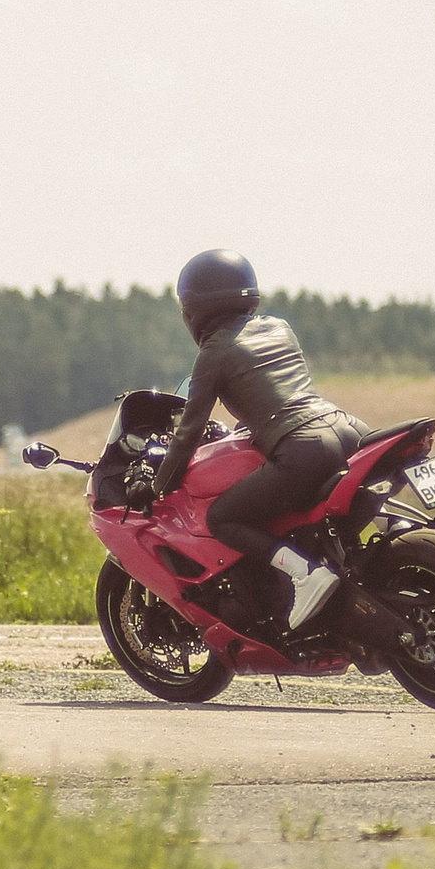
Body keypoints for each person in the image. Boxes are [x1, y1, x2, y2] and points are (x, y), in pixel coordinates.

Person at [152, 249, 367, 631]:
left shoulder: (214, 352)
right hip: (348, 428)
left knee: (222, 517)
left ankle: (305, 575)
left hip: (302, 448)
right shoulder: (280, 327)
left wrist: (157, 486)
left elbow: (188, 434)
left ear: (194, 308)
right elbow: (277, 394)